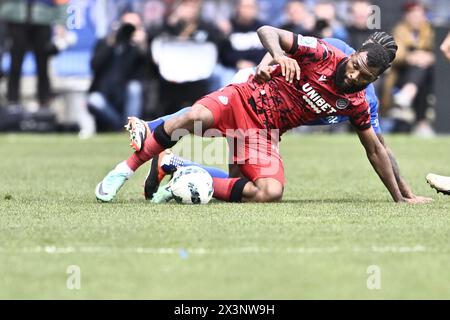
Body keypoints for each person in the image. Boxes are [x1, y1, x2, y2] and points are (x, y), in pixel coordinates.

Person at [94, 25, 432, 204]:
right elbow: (268, 30)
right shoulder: (325, 52)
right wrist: (276, 55)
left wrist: (401, 197)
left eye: (365, 76)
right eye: (356, 66)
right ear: (354, 54)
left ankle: (178, 167)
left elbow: (376, 148)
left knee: (266, 192)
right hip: (245, 96)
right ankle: (125, 169)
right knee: (192, 117)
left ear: (376, 79)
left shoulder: (359, 102)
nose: (355, 75)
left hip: (265, 134)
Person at [0, 0, 69, 109]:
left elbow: (62, 2)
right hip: (15, 19)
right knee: (15, 62)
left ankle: (44, 100)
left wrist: (61, 23)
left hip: (43, 19)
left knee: (43, 63)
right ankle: (12, 101)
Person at [88, 12, 149, 132]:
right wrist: (111, 44)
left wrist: (141, 45)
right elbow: (94, 65)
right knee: (94, 100)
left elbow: (148, 70)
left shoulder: (136, 48)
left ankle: (132, 128)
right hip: (106, 94)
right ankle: (120, 127)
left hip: (126, 95)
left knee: (134, 87)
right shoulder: (106, 42)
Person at [383, 1, 435, 136]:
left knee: (422, 70)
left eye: (419, 15)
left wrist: (428, 57)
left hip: (428, 77)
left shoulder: (429, 31)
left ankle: (408, 93)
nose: (416, 18)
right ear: (406, 16)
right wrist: (411, 57)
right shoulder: (399, 30)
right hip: (401, 75)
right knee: (419, 68)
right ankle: (421, 123)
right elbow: (396, 54)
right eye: (413, 15)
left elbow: (439, 52)